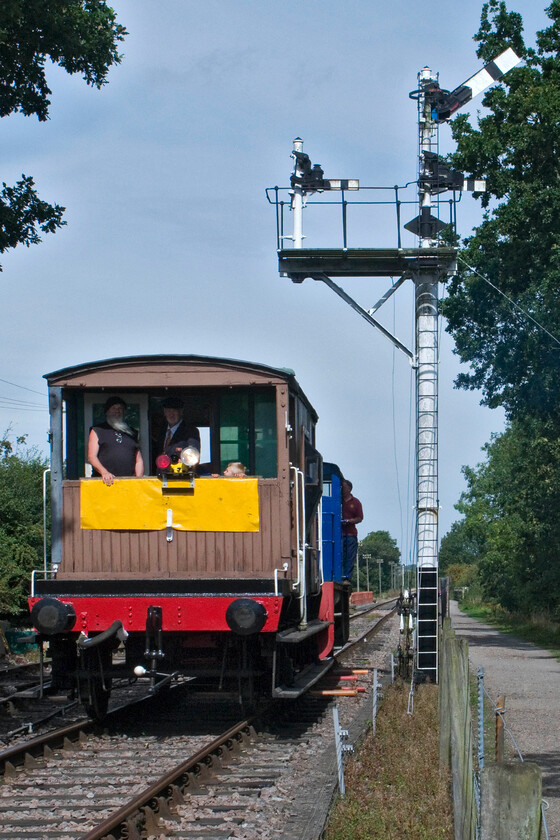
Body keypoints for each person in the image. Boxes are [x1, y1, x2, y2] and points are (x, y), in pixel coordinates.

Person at [88, 396, 144, 486]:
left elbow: (139, 460)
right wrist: (104, 473)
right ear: (107, 411)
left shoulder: (132, 433)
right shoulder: (97, 430)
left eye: (120, 408)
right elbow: (92, 457)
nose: (117, 411)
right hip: (104, 483)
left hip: (129, 484)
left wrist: (139, 480)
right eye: (114, 408)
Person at [341, 479, 364, 581]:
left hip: (350, 534)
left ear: (349, 489)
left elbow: (360, 518)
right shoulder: (337, 500)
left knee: (350, 557)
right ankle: (339, 575)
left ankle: (347, 577)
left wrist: (349, 521)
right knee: (340, 555)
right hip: (338, 534)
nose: (342, 489)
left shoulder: (356, 502)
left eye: (344, 487)